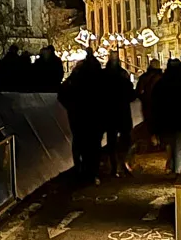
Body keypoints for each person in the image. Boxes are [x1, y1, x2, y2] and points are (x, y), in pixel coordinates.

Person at [58, 52, 106, 183]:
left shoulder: (76, 78)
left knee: (80, 144)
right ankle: (92, 172)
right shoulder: (99, 78)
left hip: (79, 117)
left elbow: (62, 93)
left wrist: (71, 107)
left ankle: (81, 171)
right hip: (95, 117)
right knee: (94, 146)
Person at [151, 59, 181, 174]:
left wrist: (156, 122)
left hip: (166, 120)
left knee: (170, 144)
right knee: (180, 145)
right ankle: (179, 170)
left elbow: (155, 103)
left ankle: (173, 167)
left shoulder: (161, 83)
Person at [102, 56, 135, 176]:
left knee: (111, 140)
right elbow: (131, 95)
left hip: (109, 113)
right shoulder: (123, 76)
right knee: (126, 139)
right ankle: (123, 163)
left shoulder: (103, 77)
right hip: (122, 113)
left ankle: (114, 166)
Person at [135, 59, 164, 149]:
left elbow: (138, 91)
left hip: (147, 105)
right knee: (160, 122)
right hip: (160, 104)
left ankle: (153, 142)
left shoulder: (144, 77)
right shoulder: (163, 77)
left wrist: (144, 98)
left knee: (150, 123)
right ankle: (160, 142)